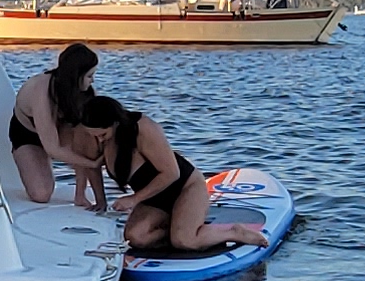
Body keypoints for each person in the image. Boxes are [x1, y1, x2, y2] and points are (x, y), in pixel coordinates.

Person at [76, 94, 267, 258]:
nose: (99, 140)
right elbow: (90, 166)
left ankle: (233, 232)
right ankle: (179, 226)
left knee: (185, 241)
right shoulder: (96, 134)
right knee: (135, 237)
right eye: (94, 136)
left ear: (115, 123)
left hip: (185, 187)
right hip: (154, 197)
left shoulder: (143, 129)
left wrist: (135, 199)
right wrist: (100, 200)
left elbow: (171, 173)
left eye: (102, 134)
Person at [8, 43, 109, 207]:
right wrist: (92, 163)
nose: (93, 80)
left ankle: (80, 194)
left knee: (88, 136)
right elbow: (52, 148)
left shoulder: (86, 93)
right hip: (28, 134)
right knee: (41, 194)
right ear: (76, 75)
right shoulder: (41, 90)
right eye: (90, 76)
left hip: (60, 131)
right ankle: (28, 157)